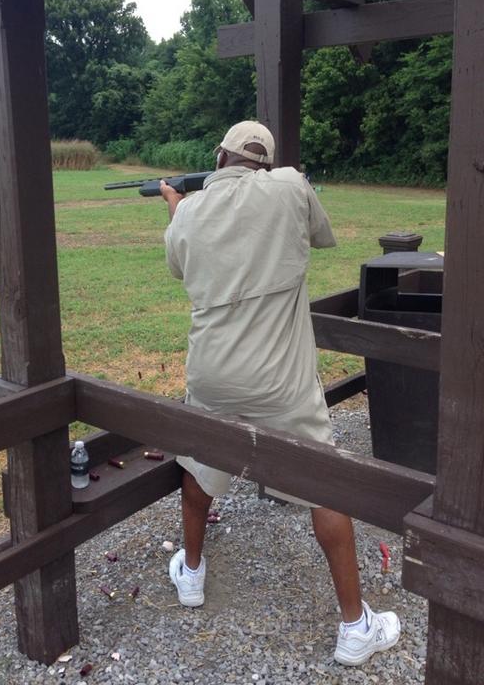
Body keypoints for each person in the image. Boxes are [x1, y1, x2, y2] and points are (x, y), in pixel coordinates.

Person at [159, 120, 401, 667]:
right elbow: (318, 233)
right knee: (325, 484)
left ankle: (191, 574)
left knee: (199, 465)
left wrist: (177, 207)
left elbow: (178, 263)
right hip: (280, 378)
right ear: (264, 162)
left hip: (213, 371)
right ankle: (355, 627)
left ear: (219, 156)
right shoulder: (290, 186)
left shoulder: (190, 211)